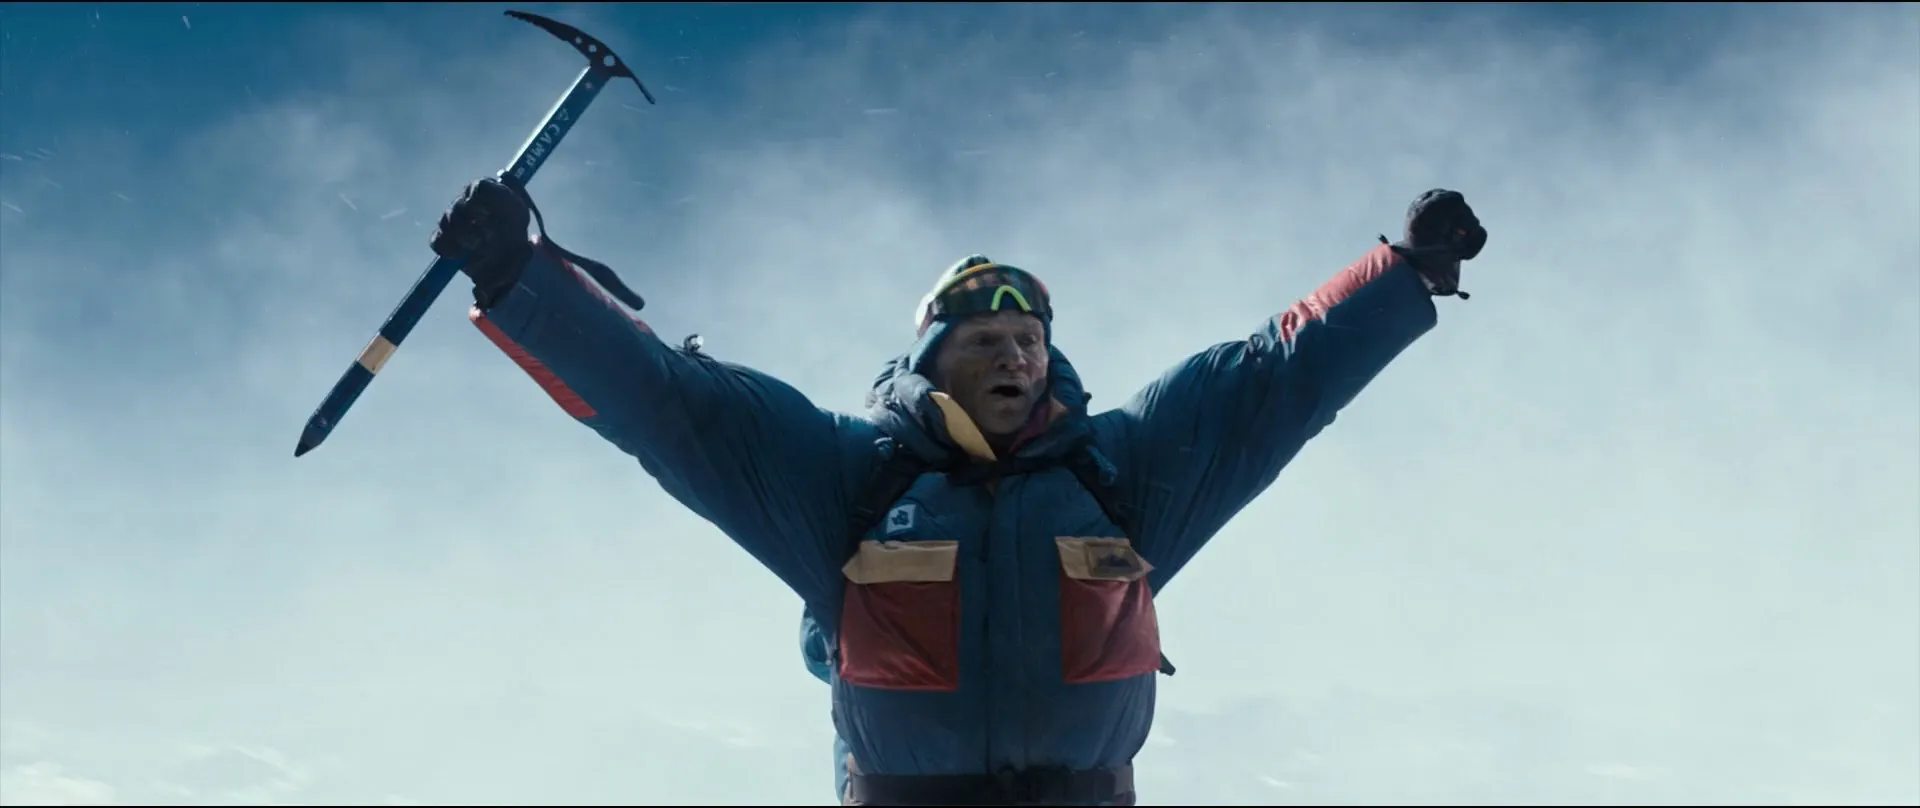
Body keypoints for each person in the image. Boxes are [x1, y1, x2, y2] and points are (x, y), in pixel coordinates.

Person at [431, 179, 1488, 806]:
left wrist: (1404, 272)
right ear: (933, 362)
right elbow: (675, 407)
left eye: (1029, 339)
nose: (1015, 357)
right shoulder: (847, 478)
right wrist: (518, 277)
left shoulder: (1117, 475)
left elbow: (1270, 383)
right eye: (985, 340)